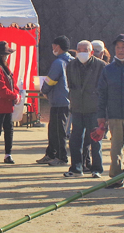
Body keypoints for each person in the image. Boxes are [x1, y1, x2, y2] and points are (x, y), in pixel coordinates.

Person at [97, 34, 124, 192]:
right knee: (115, 149)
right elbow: (102, 93)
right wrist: (101, 115)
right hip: (114, 115)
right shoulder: (108, 69)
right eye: (118, 47)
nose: (121, 50)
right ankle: (116, 178)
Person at [66, 40, 107, 178]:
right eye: (79, 49)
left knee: (95, 140)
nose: (81, 52)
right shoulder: (71, 65)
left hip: (94, 108)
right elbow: (70, 84)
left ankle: (97, 169)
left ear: (91, 52)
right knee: (75, 139)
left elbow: (104, 88)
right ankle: (76, 168)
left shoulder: (101, 66)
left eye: (85, 50)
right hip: (77, 107)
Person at [39, 36, 74, 166]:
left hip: (59, 100)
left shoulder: (58, 62)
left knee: (58, 130)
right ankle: (51, 154)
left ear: (57, 47)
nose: (52, 48)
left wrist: (45, 91)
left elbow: (50, 80)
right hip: (69, 100)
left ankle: (61, 157)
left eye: (53, 46)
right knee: (55, 128)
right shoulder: (73, 61)